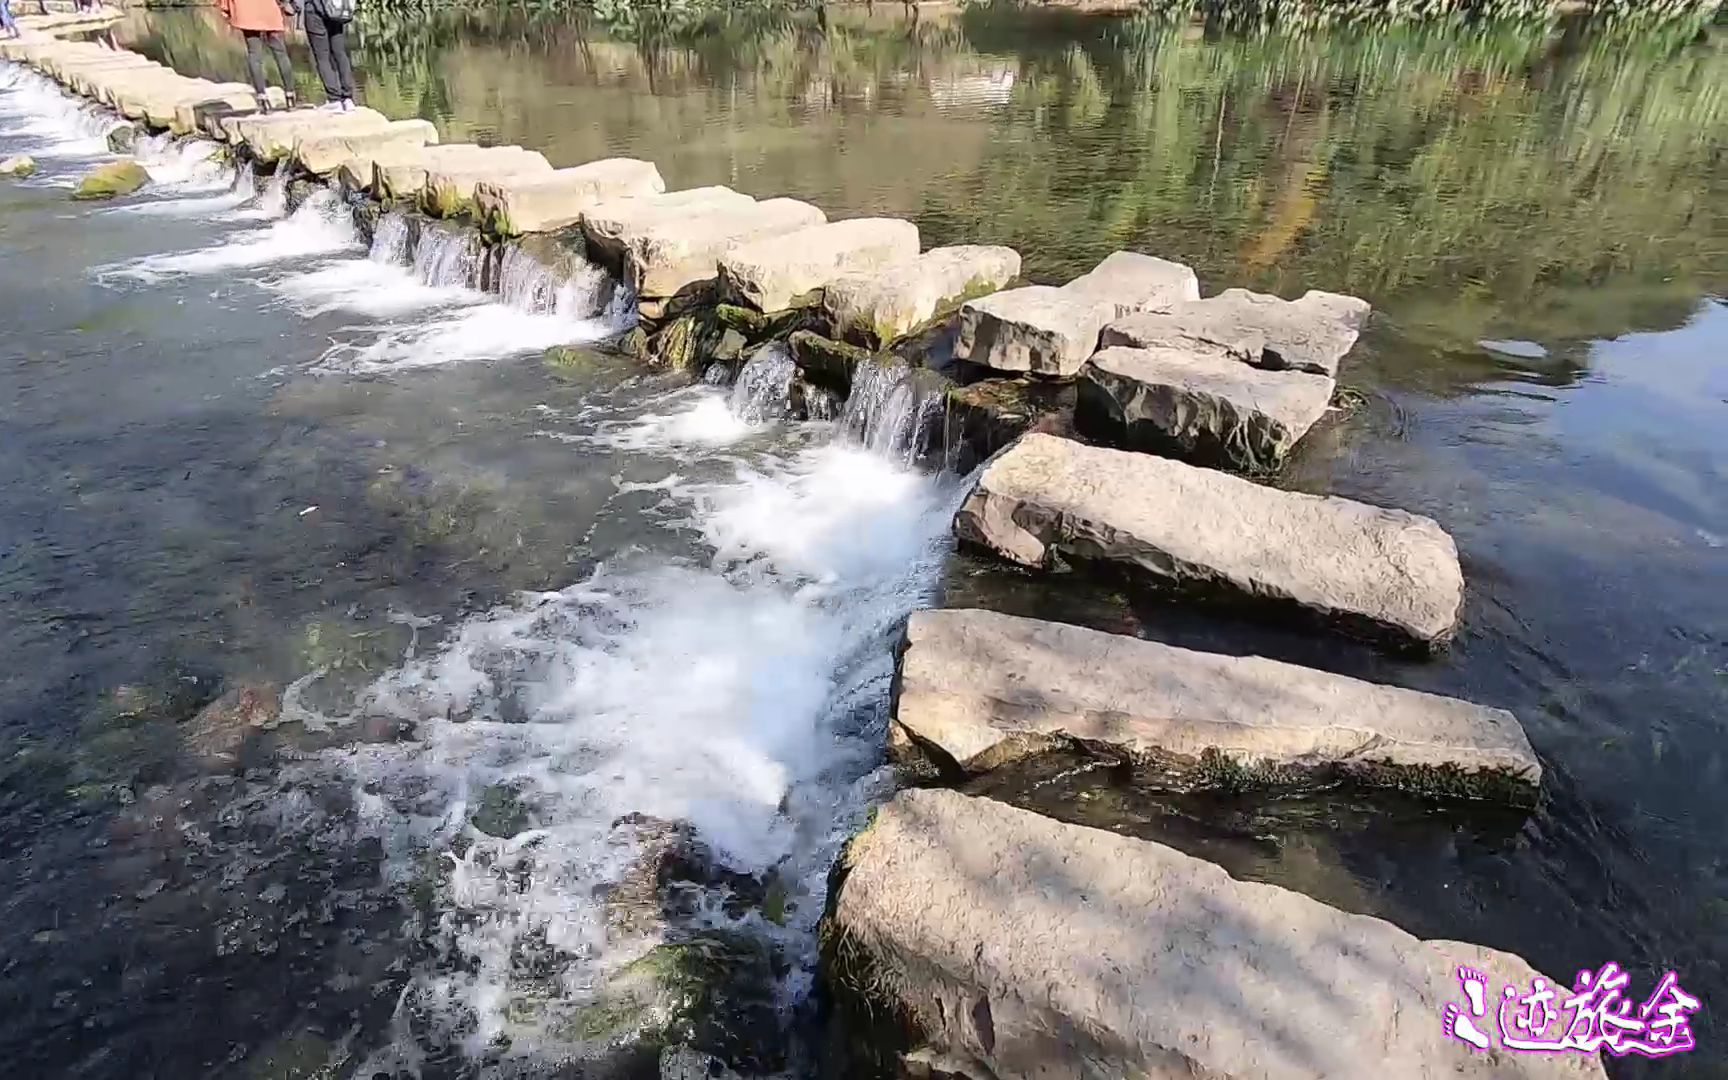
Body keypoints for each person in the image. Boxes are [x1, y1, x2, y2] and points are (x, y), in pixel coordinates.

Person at [217, 0, 298, 113]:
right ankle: (290, 98)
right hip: (269, 9)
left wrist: (227, 10)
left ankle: (263, 100)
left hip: (246, 11)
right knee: (280, 53)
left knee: (254, 54)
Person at [304, 0, 357, 113]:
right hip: (336, 10)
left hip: (314, 10)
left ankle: (334, 100)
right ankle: (347, 99)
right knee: (340, 54)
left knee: (322, 57)